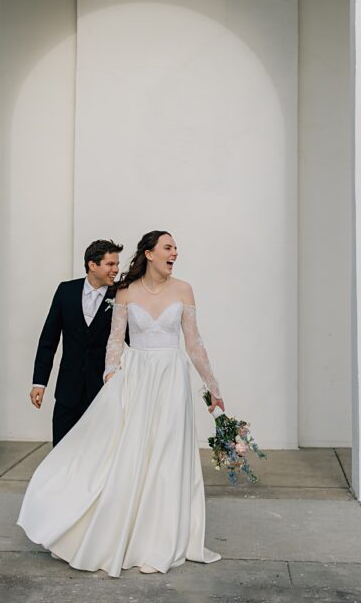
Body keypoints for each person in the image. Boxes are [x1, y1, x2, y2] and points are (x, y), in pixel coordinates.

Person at [18, 230, 226, 576]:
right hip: (137, 378)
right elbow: (114, 341)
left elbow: (194, 344)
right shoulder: (125, 292)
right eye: (169, 247)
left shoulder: (183, 290)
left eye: (175, 248)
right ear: (149, 253)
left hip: (172, 379)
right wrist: (112, 376)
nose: (175, 252)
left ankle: (162, 536)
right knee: (127, 454)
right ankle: (73, 512)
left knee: (167, 455)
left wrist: (212, 386)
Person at [30, 239, 124, 445]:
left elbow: (131, 338)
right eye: (110, 264)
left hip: (102, 391)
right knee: (60, 450)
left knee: (97, 453)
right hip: (67, 391)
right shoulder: (66, 291)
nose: (116, 270)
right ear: (92, 265)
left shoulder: (120, 295)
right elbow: (49, 339)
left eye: (117, 264)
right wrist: (39, 382)